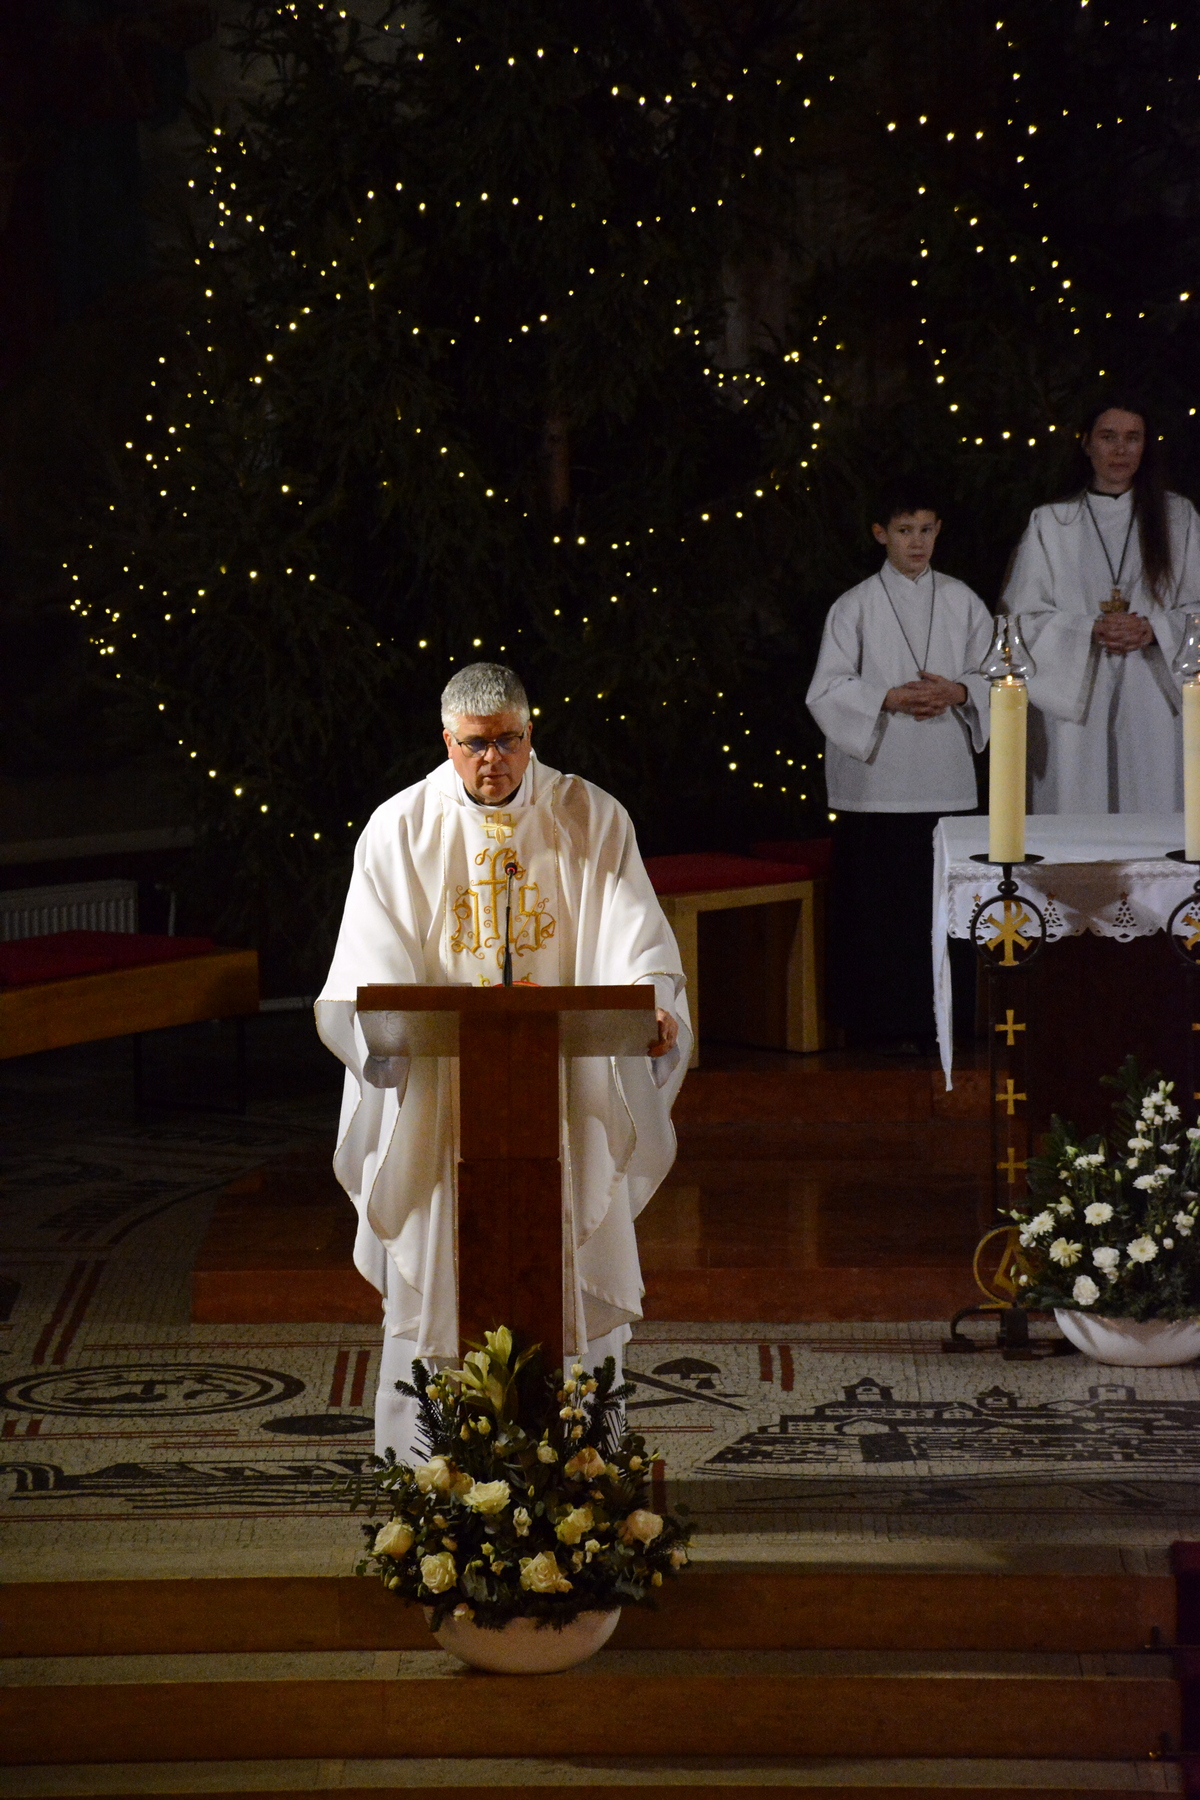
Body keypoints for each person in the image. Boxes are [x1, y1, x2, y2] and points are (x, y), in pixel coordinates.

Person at [316, 662, 691, 1457]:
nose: (493, 760)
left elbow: (638, 940)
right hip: (443, 1101)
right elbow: (364, 973)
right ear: (446, 741)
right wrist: (382, 1037)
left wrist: (650, 1003)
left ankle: (583, 1460)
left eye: (509, 742)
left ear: (531, 733)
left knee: (568, 1265)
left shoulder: (590, 816)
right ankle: (428, 1473)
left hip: (562, 1091)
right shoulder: (401, 827)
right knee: (439, 1274)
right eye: (475, 745)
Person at [806, 477, 993, 1050]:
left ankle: (947, 1024)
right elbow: (826, 690)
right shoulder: (854, 606)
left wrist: (959, 692)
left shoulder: (963, 600)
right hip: (877, 784)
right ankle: (878, 1029)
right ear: (880, 533)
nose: (917, 542)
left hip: (945, 779)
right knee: (880, 912)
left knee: (939, 910)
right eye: (905, 530)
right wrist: (886, 697)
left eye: (927, 530)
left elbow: (998, 674)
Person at [1003, 399, 1200, 812]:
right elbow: (1022, 621)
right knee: (1079, 804)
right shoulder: (1052, 522)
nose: (1120, 450)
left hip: (1154, 696)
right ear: (1086, 443)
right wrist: (1087, 629)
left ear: (1145, 446)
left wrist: (1154, 629)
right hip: (1076, 703)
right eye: (1108, 437)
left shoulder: (1178, 517)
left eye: (1133, 438)